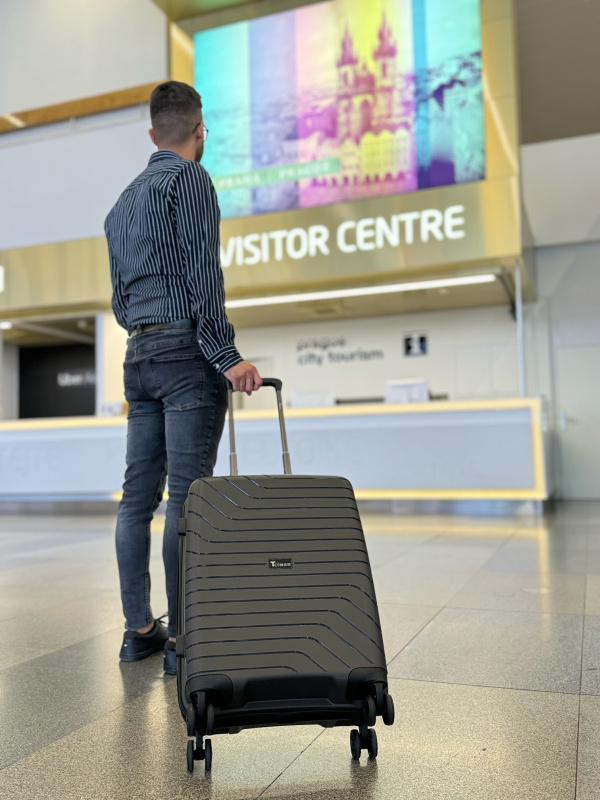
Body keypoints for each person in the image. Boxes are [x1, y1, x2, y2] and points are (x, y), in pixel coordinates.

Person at [104, 80, 262, 675]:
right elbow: (202, 273)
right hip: (185, 354)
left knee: (135, 501)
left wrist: (148, 332)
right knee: (188, 501)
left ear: (152, 134)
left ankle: (139, 630)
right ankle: (183, 641)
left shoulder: (120, 205)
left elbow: (120, 302)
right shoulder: (190, 179)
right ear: (200, 131)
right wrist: (226, 355)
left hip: (138, 355)